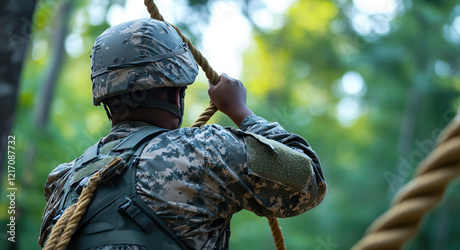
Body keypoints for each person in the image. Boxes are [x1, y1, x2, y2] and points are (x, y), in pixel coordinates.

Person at [39, 18, 327, 249]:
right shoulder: (208, 151)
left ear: (105, 99)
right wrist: (241, 111)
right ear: (177, 95)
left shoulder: (64, 180)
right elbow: (308, 180)